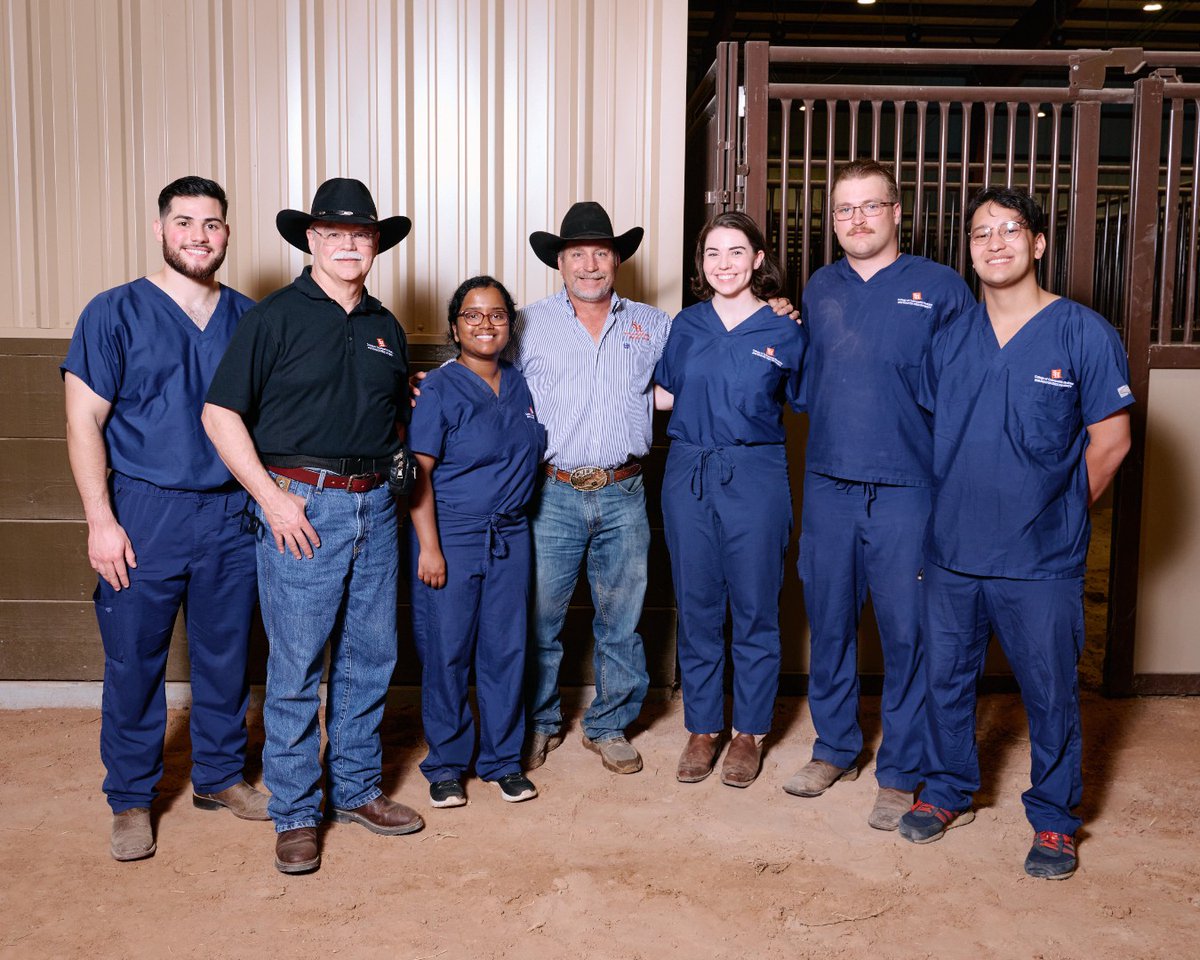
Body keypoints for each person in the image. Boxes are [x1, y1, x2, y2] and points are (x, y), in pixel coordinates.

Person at [898, 187, 1133, 880]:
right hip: (954, 555)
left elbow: (1112, 442)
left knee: (1051, 692)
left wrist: (1056, 511)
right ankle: (946, 791)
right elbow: (939, 436)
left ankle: (1055, 820)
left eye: (1010, 229)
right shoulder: (949, 338)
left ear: (1036, 244)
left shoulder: (1083, 332)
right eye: (980, 233)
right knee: (946, 680)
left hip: (1042, 560)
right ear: (968, 250)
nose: (994, 242)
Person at [202, 178, 423, 875]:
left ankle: (356, 789)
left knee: (370, 657)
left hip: (374, 507)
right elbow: (220, 414)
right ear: (311, 241)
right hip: (302, 507)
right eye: (334, 234)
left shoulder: (386, 327)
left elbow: (392, 419)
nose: (349, 244)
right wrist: (271, 499)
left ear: (376, 243)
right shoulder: (273, 318)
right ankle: (296, 811)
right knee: (296, 666)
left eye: (361, 234)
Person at [62, 176, 268, 862]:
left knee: (226, 656)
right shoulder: (113, 312)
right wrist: (101, 520)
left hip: (231, 514)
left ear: (227, 234)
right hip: (144, 511)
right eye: (184, 223)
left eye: (211, 224)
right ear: (160, 230)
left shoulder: (249, 318)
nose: (198, 236)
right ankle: (129, 796)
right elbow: (83, 419)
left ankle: (218, 776)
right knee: (133, 662)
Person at [783, 160, 976, 831]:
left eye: (871, 206)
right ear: (832, 219)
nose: (857, 220)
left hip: (908, 489)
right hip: (831, 484)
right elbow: (802, 381)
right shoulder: (821, 286)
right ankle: (835, 747)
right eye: (844, 209)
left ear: (898, 212)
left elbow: (966, 393)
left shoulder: (941, 288)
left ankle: (900, 770)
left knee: (907, 634)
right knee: (829, 622)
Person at [515, 202, 668, 775]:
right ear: (560, 262)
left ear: (617, 259)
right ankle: (538, 720)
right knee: (539, 618)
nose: (589, 264)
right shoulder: (526, 324)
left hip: (624, 490)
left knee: (620, 617)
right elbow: (489, 384)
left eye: (600, 252)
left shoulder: (652, 325)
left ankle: (609, 724)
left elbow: (688, 382)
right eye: (577, 253)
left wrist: (773, 310)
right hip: (552, 493)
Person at [655, 212, 806, 787]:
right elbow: (664, 394)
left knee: (755, 604)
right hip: (689, 470)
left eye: (736, 252)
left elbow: (809, 398)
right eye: (712, 253)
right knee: (697, 603)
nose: (724, 264)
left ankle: (750, 731)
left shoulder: (785, 329)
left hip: (756, 473)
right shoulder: (685, 326)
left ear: (757, 259)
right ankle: (702, 726)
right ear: (701, 264)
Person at [408, 276, 547, 807]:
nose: (485, 324)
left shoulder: (520, 384)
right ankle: (445, 764)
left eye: (496, 314)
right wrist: (430, 548)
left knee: (506, 650)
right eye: (472, 314)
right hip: (452, 535)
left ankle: (502, 760)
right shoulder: (441, 387)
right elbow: (418, 473)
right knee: (447, 653)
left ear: (511, 325)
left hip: (511, 534)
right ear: (453, 326)